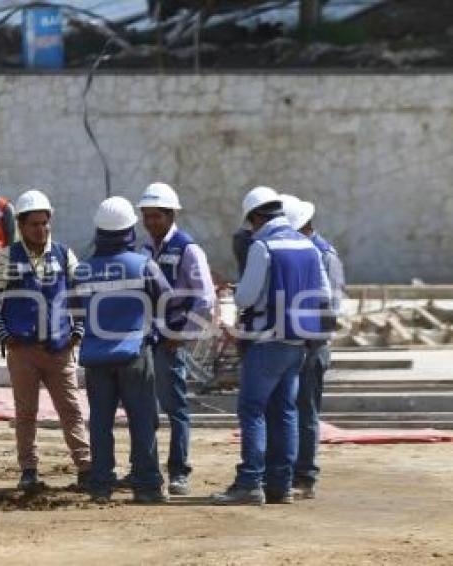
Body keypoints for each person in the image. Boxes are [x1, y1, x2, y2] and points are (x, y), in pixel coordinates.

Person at [212, 186, 330, 506]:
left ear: (256, 216)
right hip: (297, 343)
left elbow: (245, 297)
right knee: (286, 412)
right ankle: (282, 484)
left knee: (252, 410)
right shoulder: (309, 246)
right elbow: (324, 295)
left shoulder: (262, 246)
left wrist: (243, 294)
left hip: (266, 342)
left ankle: (250, 481)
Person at [0, 189, 91, 491]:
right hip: (22, 349)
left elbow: (79, 293)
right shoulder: (7, 258)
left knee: (71, 410)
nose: (40, 229)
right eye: (34, 224)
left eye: (44, 223)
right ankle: (28, 469)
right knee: (26, 413)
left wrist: (79, 329)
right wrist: (3, 334)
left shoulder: (63, 254)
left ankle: (85, 466)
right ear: (21, 225)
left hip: (59, 348)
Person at [76, 196, 171, 504]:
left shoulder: (83, 270)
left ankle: (101, 485)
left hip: (95, 357)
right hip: (135, 354)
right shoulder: (143, 265)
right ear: (130, 230)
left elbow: (73, 311)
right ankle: (147, 486)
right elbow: (167, 300)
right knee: (142, 420)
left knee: (101, 423)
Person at [136, 182, 216, 495]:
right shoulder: (144, 251)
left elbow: (205, 300)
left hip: (170, 344)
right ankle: (147, 470)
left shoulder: (188, 250)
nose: (151, 222)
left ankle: (179, 472)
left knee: (176, 409)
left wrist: (182, 337)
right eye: (147, 216)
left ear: (171, 215)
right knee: (145, 409)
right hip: (147, 343)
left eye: (156, 216)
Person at [281, 194, 346, 499]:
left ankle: (304, 476)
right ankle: (286, 470)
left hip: (312, 345)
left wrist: (305, 333)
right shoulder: (302, 251)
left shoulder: (323, 254)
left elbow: (329, 307)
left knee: (306, 411)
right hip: (292, 342)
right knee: (288, 409)